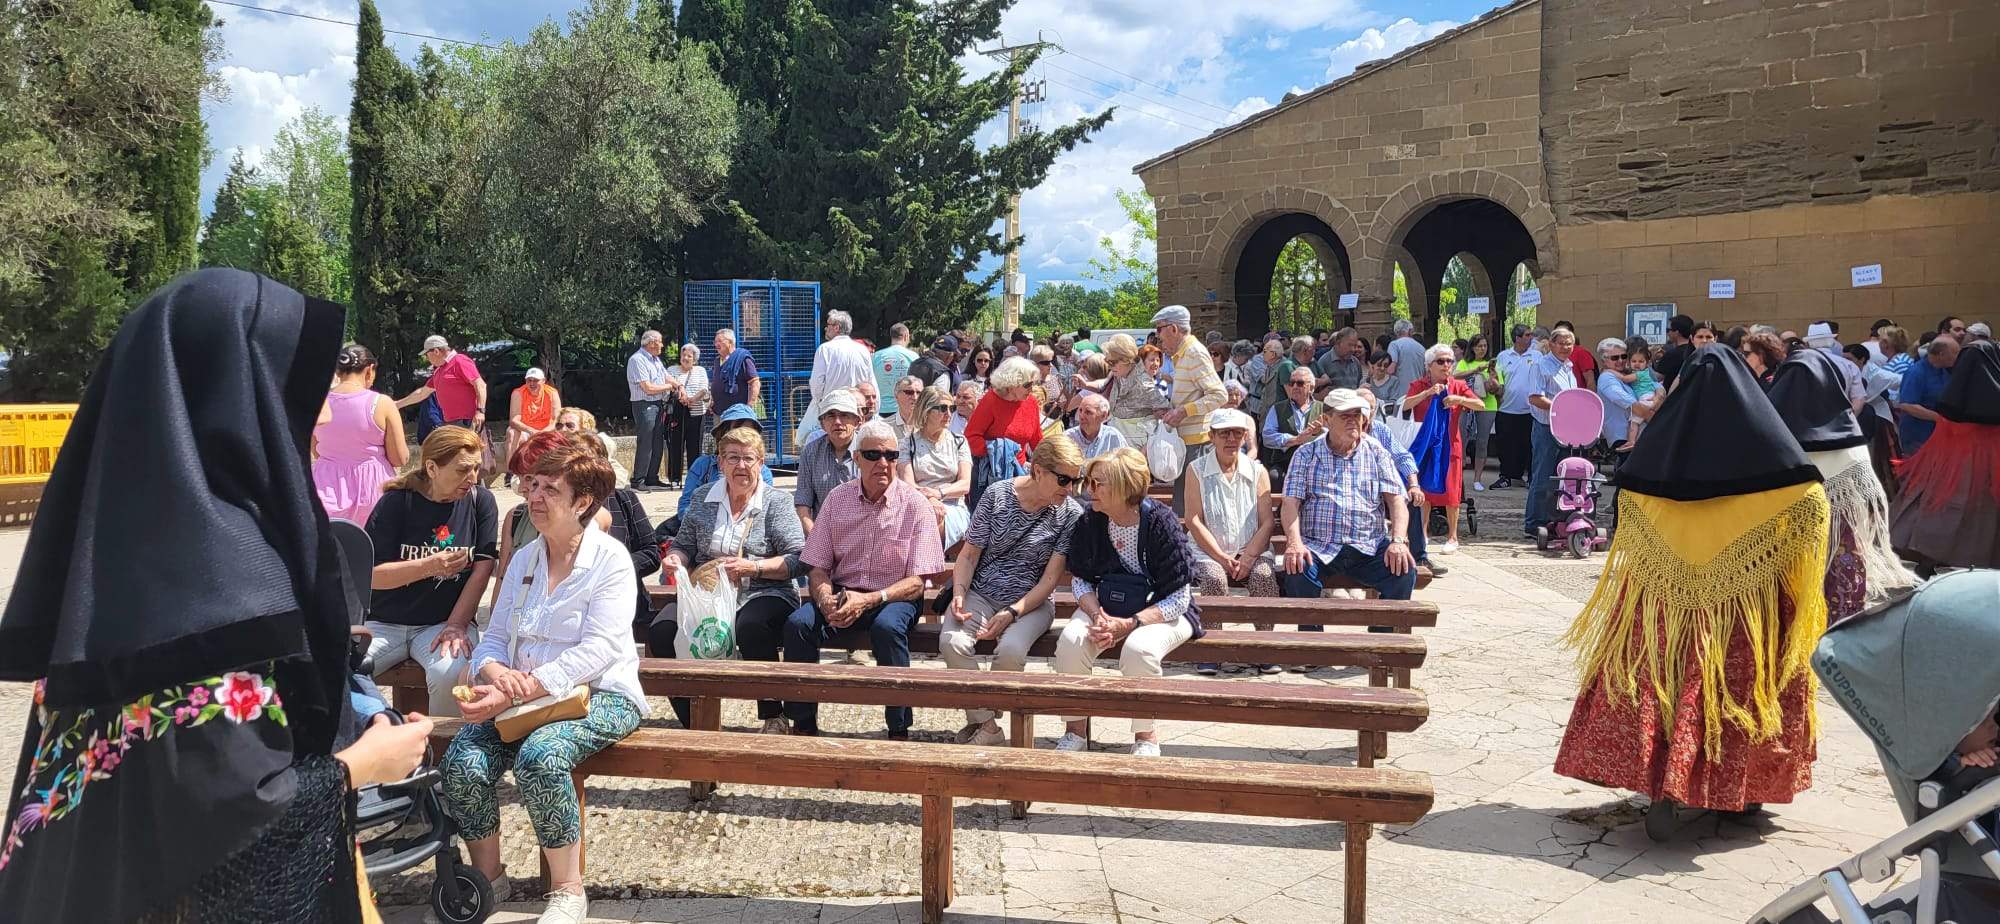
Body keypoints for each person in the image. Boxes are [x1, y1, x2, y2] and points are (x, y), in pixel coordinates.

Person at [0, 268, 434, 922]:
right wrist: (361, 766)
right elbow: (230, 829)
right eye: (302, 381)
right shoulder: (228, 583)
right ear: (235, 392)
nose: (320, 410)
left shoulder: (121, 557)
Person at [1555, 346, 1831, 818]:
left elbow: (1632, 517)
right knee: (1745, 689)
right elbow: (1811, 509)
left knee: (1656, 683)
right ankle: (1741, 788)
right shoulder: (1785, 474)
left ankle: (1658, 778)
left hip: (1664, 605)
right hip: (1747, 608)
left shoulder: (1652, 466)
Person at [442, 437, 648, 924]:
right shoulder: (525, 559)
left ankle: (568, 890)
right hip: (521, 698)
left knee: (541, 756)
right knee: (463, 760)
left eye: (549, 489)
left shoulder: (611, 560)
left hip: (601, 695)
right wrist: (496, 675)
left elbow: (599, 651)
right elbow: (494, 637)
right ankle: (489, 881)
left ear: (582, 502)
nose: (533, 497)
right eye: (531, 485)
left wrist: (520, 687)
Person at [785, 419, 948, 738]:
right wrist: (825, 599)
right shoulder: (837, 499)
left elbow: (918, 581)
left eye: (891, 455)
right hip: (844, 592)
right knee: (798, 625)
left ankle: (898, 728)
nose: (883, 463)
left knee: (887, 628)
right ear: (857, 458)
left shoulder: (916, 505)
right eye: (873, 455)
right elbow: (817, 566)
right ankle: (803, 724)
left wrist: (871, 599)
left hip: (895, 596)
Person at [650, 425, 808, 733]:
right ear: (720, 463)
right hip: (708, 593)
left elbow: (799, 558)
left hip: (765, 589)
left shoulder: (776, 502)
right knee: (662, 630)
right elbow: (683, 545)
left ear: (761, 463)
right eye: (733, 457)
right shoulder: (702, 498)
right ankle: (695, 720)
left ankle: (774, 715)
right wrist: (676, 559)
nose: (741, 466)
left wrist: (753, 567)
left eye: (749, 458)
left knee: (751, 626)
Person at [1053, 448, 1204, 756]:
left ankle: (1146, 736)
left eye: (1098, 483)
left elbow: (1180, 597)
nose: (1088, 490)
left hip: (1163, 609)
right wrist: (1097, 615)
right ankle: (1075, 732)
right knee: (1071, 641)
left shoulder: (1160, 522)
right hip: (1107, 605)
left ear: (1125, 487)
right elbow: (1081, 579)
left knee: (1139, 649)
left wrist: (1131, 624)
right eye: (1088, 482)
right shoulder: (1091, 520)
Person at [940, 438, 1086, 745]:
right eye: (1064, 479)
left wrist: (1012, 611)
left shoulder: (1070, 514)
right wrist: (960, 593)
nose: (1070, 489)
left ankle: (983, 720)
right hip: (982, 592)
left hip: (1031, 603)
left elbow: (1049, 580)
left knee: (1011, 651)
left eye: (1076, 480)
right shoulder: (998, 495)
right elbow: (968, 556)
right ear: (1038, 471)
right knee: (952, 641)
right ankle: (988, 726)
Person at [1765, 348, 1917, 623]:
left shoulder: (1769, 431)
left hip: (1786, 528)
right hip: (1840, 524)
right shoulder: (1846, 426)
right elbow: (1866, 490)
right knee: (1839, 575)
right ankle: (1840, 625)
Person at [364, 426, 498, 715]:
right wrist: (428, 566)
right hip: (385, 622)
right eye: (463, 469)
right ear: (432, 468)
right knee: (339, 668)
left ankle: (444, 741)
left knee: (449, 673)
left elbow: (483, 569)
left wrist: (457, 625)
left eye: (476, 468)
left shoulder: (480, 501)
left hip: (443, 622)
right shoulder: (397, 502)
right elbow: (372, 576)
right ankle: (376, 729)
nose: (473, 477)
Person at [1279, 389, 1418, 621]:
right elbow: (1290, 502)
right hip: (1319, 547)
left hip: (1368, 547)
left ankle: (1384, 639)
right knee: (1297, 569)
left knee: (1403, 570)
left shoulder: (1377, 452)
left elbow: (1396, 500)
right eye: (1345, 415)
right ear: (1326, 419)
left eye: (1357, 414)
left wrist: (1398, 541)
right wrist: (1294, 543)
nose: (1353, 420)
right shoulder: (1306, 454)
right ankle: (1311, 639)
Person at [1890, 339, 2000, 572]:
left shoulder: (1954, 398)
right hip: (1988, 470)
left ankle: (1929, 558)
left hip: (1949, 466)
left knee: (1941, 511)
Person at [1186, 409, 1281, 675]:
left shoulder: (1257, 470)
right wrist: (1221, 557)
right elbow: (1193, 519)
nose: (1231, 439)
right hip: (1209, 550)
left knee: (1263, 576)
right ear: (1212, 436)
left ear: (1245, 437)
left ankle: (1264, 646)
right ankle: (1213, 647)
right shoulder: (1196, 470)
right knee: (1214, 578)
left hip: (1252, 548)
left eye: (1237, 433)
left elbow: (1267, 522)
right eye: (1224, 433)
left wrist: (1248, 558)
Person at [1402, 344, 1487, 553]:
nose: (1446, 365)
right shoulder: (1419, 384)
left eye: (1450, 361)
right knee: (1423, 490)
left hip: (1450, 444)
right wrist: (1427, 393)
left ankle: (1453, 537)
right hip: (1424, 444)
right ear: (1429, 365)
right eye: (1441, 361)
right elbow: (1405, 405)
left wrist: (1460, 399)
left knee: (1452, 490)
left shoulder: (1457, 385)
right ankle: (1422, 534)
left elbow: (1481, 405)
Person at [314, 343, 409, 526]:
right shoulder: (381, 403)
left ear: (338, 371)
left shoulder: (320, 403)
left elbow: (316, 449)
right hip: (372, 487)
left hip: (325, 485)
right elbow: (399, 458)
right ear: (369, 370)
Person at [1153, 304, 1228, 511]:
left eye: (1159, 329)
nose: (1158, 336)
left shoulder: (1194, 353)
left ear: (1174, 329)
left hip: (1197, 445)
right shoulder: (1185, 354)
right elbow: (1193, 394)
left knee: (1188, 509)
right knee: (1185, 506)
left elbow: (1219, 395)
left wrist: (1183, 411)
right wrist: (1171, 409)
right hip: (1188, 443)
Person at [900, 385, 973, 551]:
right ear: (926, 411)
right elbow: (907, 483)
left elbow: (965, 484)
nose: (949, 414)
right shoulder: (908, 443)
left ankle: (928, 564)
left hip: (952, 504)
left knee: (934, 516)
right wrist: (929, 499)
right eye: (942, 408)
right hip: (917, 502)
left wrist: (938, 494)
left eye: (951, 408)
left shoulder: (959, 441)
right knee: (927, 514)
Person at [965, 357, 1047, 502]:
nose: (1031, 389)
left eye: (1033, 384)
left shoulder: (1031, 403)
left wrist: (1050, 461)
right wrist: (998, 452)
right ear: (1011, 384)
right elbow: (971, 437)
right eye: (1027, 385)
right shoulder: (990, 401)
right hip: (989, 475)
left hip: (1019, 473)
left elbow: (1037, 441)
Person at [1523, 328, 1579, 537]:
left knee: (1563, 476)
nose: (1565, 347)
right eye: (1561, 343)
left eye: (1569, 343)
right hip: (1546, 427)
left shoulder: (1568, 367)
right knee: (1542, 476)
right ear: (1552, 344)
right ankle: (1534, 523)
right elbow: (1535, 397)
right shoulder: (1541, 365)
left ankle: (1555, 520)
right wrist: (1560, 407)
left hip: (1566, 428)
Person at [796, 309, 875, 444]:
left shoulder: (825, 349)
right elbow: (870, 383)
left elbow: (816, 384)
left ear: (836, 327)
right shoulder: (863, 350)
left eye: (828, 325)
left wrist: (821, 405)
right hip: (855, 412)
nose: (825, 329)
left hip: (831, 412)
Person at [793, 388, 865, 532]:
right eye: (831, 416)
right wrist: (815, 537)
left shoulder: (869, 450)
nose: (837, 422)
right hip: (821, 533)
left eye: (844, 415)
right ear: (822, 424)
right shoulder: (811, 452)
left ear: (857, 421)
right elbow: (803, 502)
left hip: (863, 533)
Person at [396, 334, 488, 433]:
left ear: (436, 351)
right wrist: (397, 404)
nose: (427, 358)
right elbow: (422, 393)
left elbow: (481, 385)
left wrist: (480, 411)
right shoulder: (439, 371)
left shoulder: (460, 361)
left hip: (468, 422)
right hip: (452, 424)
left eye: (427, 354)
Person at [1843, 342, 1904, 492]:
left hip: (1878, 419)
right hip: (1858, 420)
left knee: (1881, 458)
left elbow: (1901, 379)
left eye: (1849, 359)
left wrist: (1899, 400)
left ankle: (1886, 491)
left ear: (1862, 359)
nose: (1845, 362)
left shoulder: (1875, 373)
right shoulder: (1846, 371)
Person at [1098, 334, 1171, 444]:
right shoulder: (1120, 375)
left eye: (1112, 362)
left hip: (1136, 446)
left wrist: (1148, 446)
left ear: (1126, 360)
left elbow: (1167, 415)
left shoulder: (1143, 383)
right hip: (1119, 440)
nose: (1109, 366)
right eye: (1107, 362)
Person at [1490, 323, 1538, 489]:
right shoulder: (1503, 356)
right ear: (1517, 338)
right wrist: (1494, 386)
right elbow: (1498, 380)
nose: (1531, 338)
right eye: (1527, 335)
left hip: (1530, 410)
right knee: (1506, 446)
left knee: (1530, 446)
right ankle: (1507, 477)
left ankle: (1531, 477)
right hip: (1507, 408)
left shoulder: (1537, 356)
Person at [624, 330, 673, 491]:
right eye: (660, 342)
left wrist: (678, 385)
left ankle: (652, 478)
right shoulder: (637, 360)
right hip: (644, 404)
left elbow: (666, 376)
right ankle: (638, 480)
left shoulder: (655, 359)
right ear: (651, 343)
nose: (662, 345)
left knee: (657, 442)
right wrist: (669, 387)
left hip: (657, 404)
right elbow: (648, 388)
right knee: (646, 442)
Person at [1897, 334, 1960, 456]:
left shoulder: (1944, 371)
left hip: (1939, 434)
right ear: (1942, 354)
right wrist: (1939, 419)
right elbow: (1907, 405)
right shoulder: (1916, 372)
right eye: (1955, 352)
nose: (1958, 356)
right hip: (1919, 436)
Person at [1262, 365, 1322, 492]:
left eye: (1300, 383)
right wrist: (1295, 440)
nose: (1294, 387)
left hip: (1315, 463)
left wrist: (1317, 434)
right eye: (1291, 383)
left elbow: (1332, 436)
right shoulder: (1277, 408)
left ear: (1311, 387)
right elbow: (1267, 436)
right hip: (1285, 463)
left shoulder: (1322, 409)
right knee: (1274, 476)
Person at [1454, 334, 1501, 490]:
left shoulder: (1493, 365)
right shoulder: (1464, 363)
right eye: (1479, 346)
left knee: (1482, 442)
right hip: (1465, 405)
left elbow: (1499, 390)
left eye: (1485, 346)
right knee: (1461, 440)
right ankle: (1458, 478)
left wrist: (1493, 380)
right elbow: (1454, 377)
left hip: (1487, 405)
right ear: (1472, 348)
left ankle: (1477, 479)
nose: (1482, 349)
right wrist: (1476, 370)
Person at [663, 343, 711, 489]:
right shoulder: (671, 370)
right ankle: (675, 478)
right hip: (677, 414)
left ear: (694, 359)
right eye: (683, 355)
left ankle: (694, 478)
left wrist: (692, 400)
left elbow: (704, 389)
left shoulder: (700, 370)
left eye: (689, 356)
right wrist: (681, 397)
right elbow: (668, 387)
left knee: (695, 447)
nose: (685, 358)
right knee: (675, 445)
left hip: (696, 413)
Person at [1597, 338, 1658, 453]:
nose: (1620, 360)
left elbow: (1654, 384)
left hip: (1637, 433)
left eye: (1624, 356)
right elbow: (1631, 404)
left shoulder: (1628, 373)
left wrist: (1659, 394)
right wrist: (1657, 421)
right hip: (1622, 436)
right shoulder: (1607, 378)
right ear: (1604, 361)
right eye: (1615, 358)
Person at [504, 367, 562, 480]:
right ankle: (511, 473)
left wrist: (542, 432)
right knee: (511, 433)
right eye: (529, 380)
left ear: (543, 381)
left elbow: (557, 420)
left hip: (546, 430)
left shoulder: (552, 393)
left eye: (535, 380)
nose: (532, 384)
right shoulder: (518, 393)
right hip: (526, 430)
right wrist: (531, 431)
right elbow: (514, 421)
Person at [710, 327, 760, 417]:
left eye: (720, 341)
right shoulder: (717, 361)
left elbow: (755, 383)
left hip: (737, 413)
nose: (716, 344)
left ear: (730, 342)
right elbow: (716, 383)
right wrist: (713, 401)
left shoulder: (742, 358)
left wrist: (749, 406)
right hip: (718, 412)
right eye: (715, 341)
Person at [872, 323, 919, 417]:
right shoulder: (913, 357)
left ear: (891, 336)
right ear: (906, 336)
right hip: (904, 409)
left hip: (880, 409)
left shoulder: (876, 356)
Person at [1065, 390, 1127, 458]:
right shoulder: (1067, 437)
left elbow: (1125, 462)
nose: (1082, 416)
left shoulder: (1113, 436)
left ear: (1103, 416)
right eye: (1080, 410)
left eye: (1088, 412)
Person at [1314, 328, 1367, 394]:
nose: (1353, 349)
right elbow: (1315, 392)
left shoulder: (1355, 362)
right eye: (1350, 345)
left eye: (1355, 345)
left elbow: (1359, 384)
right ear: (1338, 343)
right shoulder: (1324, 362)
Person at [1654, 314, 1697, 391]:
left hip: (1674, 395)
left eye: (1668, 330)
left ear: (1677, 332)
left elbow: (1657, 377)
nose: (1667, 333)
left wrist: (1648, 361)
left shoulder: (1672, 354)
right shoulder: (1696, 351)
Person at [1386, 319, 1427, 398]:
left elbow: (1391, 370)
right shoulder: (1421, 348)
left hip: (1400, 394)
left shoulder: (1394, 345)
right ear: (1410, 331)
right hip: (1418, 394)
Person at [1553, 321, 1599, 391]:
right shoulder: (1553, 354)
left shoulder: (1581, 353)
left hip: (1578, 396)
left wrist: (1588, 397)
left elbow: (1590, 381)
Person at [887, 375, 924, 444]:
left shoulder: (930, 425)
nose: (915, 397)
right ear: (896, 396)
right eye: (909, 392)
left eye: (919, 393)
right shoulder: (885, 427)